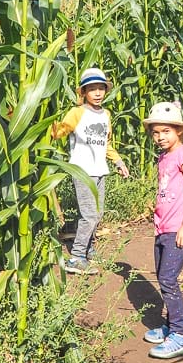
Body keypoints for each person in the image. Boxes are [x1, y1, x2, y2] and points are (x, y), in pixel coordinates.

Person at [52, 67, 129, 275]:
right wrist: (47, 122)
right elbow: (59, 133)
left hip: (100, 170)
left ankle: (88, 247)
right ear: (83, 92)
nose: (97, 93)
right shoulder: (77, 113)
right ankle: (76, 257)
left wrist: (119, 162)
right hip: (82, 170)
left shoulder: (106, 114)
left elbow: (106, 144)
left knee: (98, 213)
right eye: (92, 89)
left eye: (101, 88)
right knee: (89, 215)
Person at [141, 101, 183, 359]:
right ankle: (170, 326)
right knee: (163, 278)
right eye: (155, 132)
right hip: (163, 227)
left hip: (178, 228)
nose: (160, 136)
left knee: (168, 279)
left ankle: (181, 334)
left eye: (166, 131)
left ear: (179, 131)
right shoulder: (164, 157)